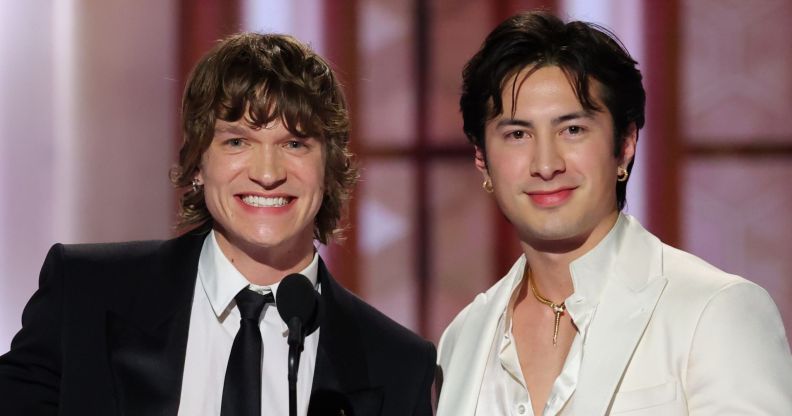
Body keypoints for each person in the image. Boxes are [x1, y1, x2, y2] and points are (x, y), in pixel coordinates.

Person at [0, 32, 435, 416]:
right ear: (197, 165)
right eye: (237, 141)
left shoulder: (397, 365)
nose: (267, 172)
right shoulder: (85, 295)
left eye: (295, 143)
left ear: (330, 167)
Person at [436, 11, 792, 415]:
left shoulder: (715, 311)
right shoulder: (464, 338)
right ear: (482, 158)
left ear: (624, 144)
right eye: (518, 135)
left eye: (572, 130)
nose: (546, 164)